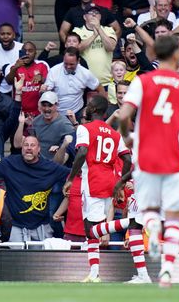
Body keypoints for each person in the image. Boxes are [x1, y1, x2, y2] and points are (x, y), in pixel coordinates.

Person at [117, 35, 179, 288]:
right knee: (175, 216)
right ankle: (167, 271)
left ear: (154, 53)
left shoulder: (143, 81)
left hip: (147, 153)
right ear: (177, 55)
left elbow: (124, 114)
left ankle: (153, 229)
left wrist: (128, 136)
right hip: (176, 155)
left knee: (150, 209)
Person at [64, 96, 134, 283]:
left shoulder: (84, 129)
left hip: (93, 181)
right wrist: (119, 184)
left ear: (93, 108)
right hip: (109, 182)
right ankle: (94, 273)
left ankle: (132, 223)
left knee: (91, 230)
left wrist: (71, 178)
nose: (86, 107)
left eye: (88, 105)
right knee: (95, 229)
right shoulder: (114, 133)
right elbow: (127, 160)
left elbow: (82, 152)